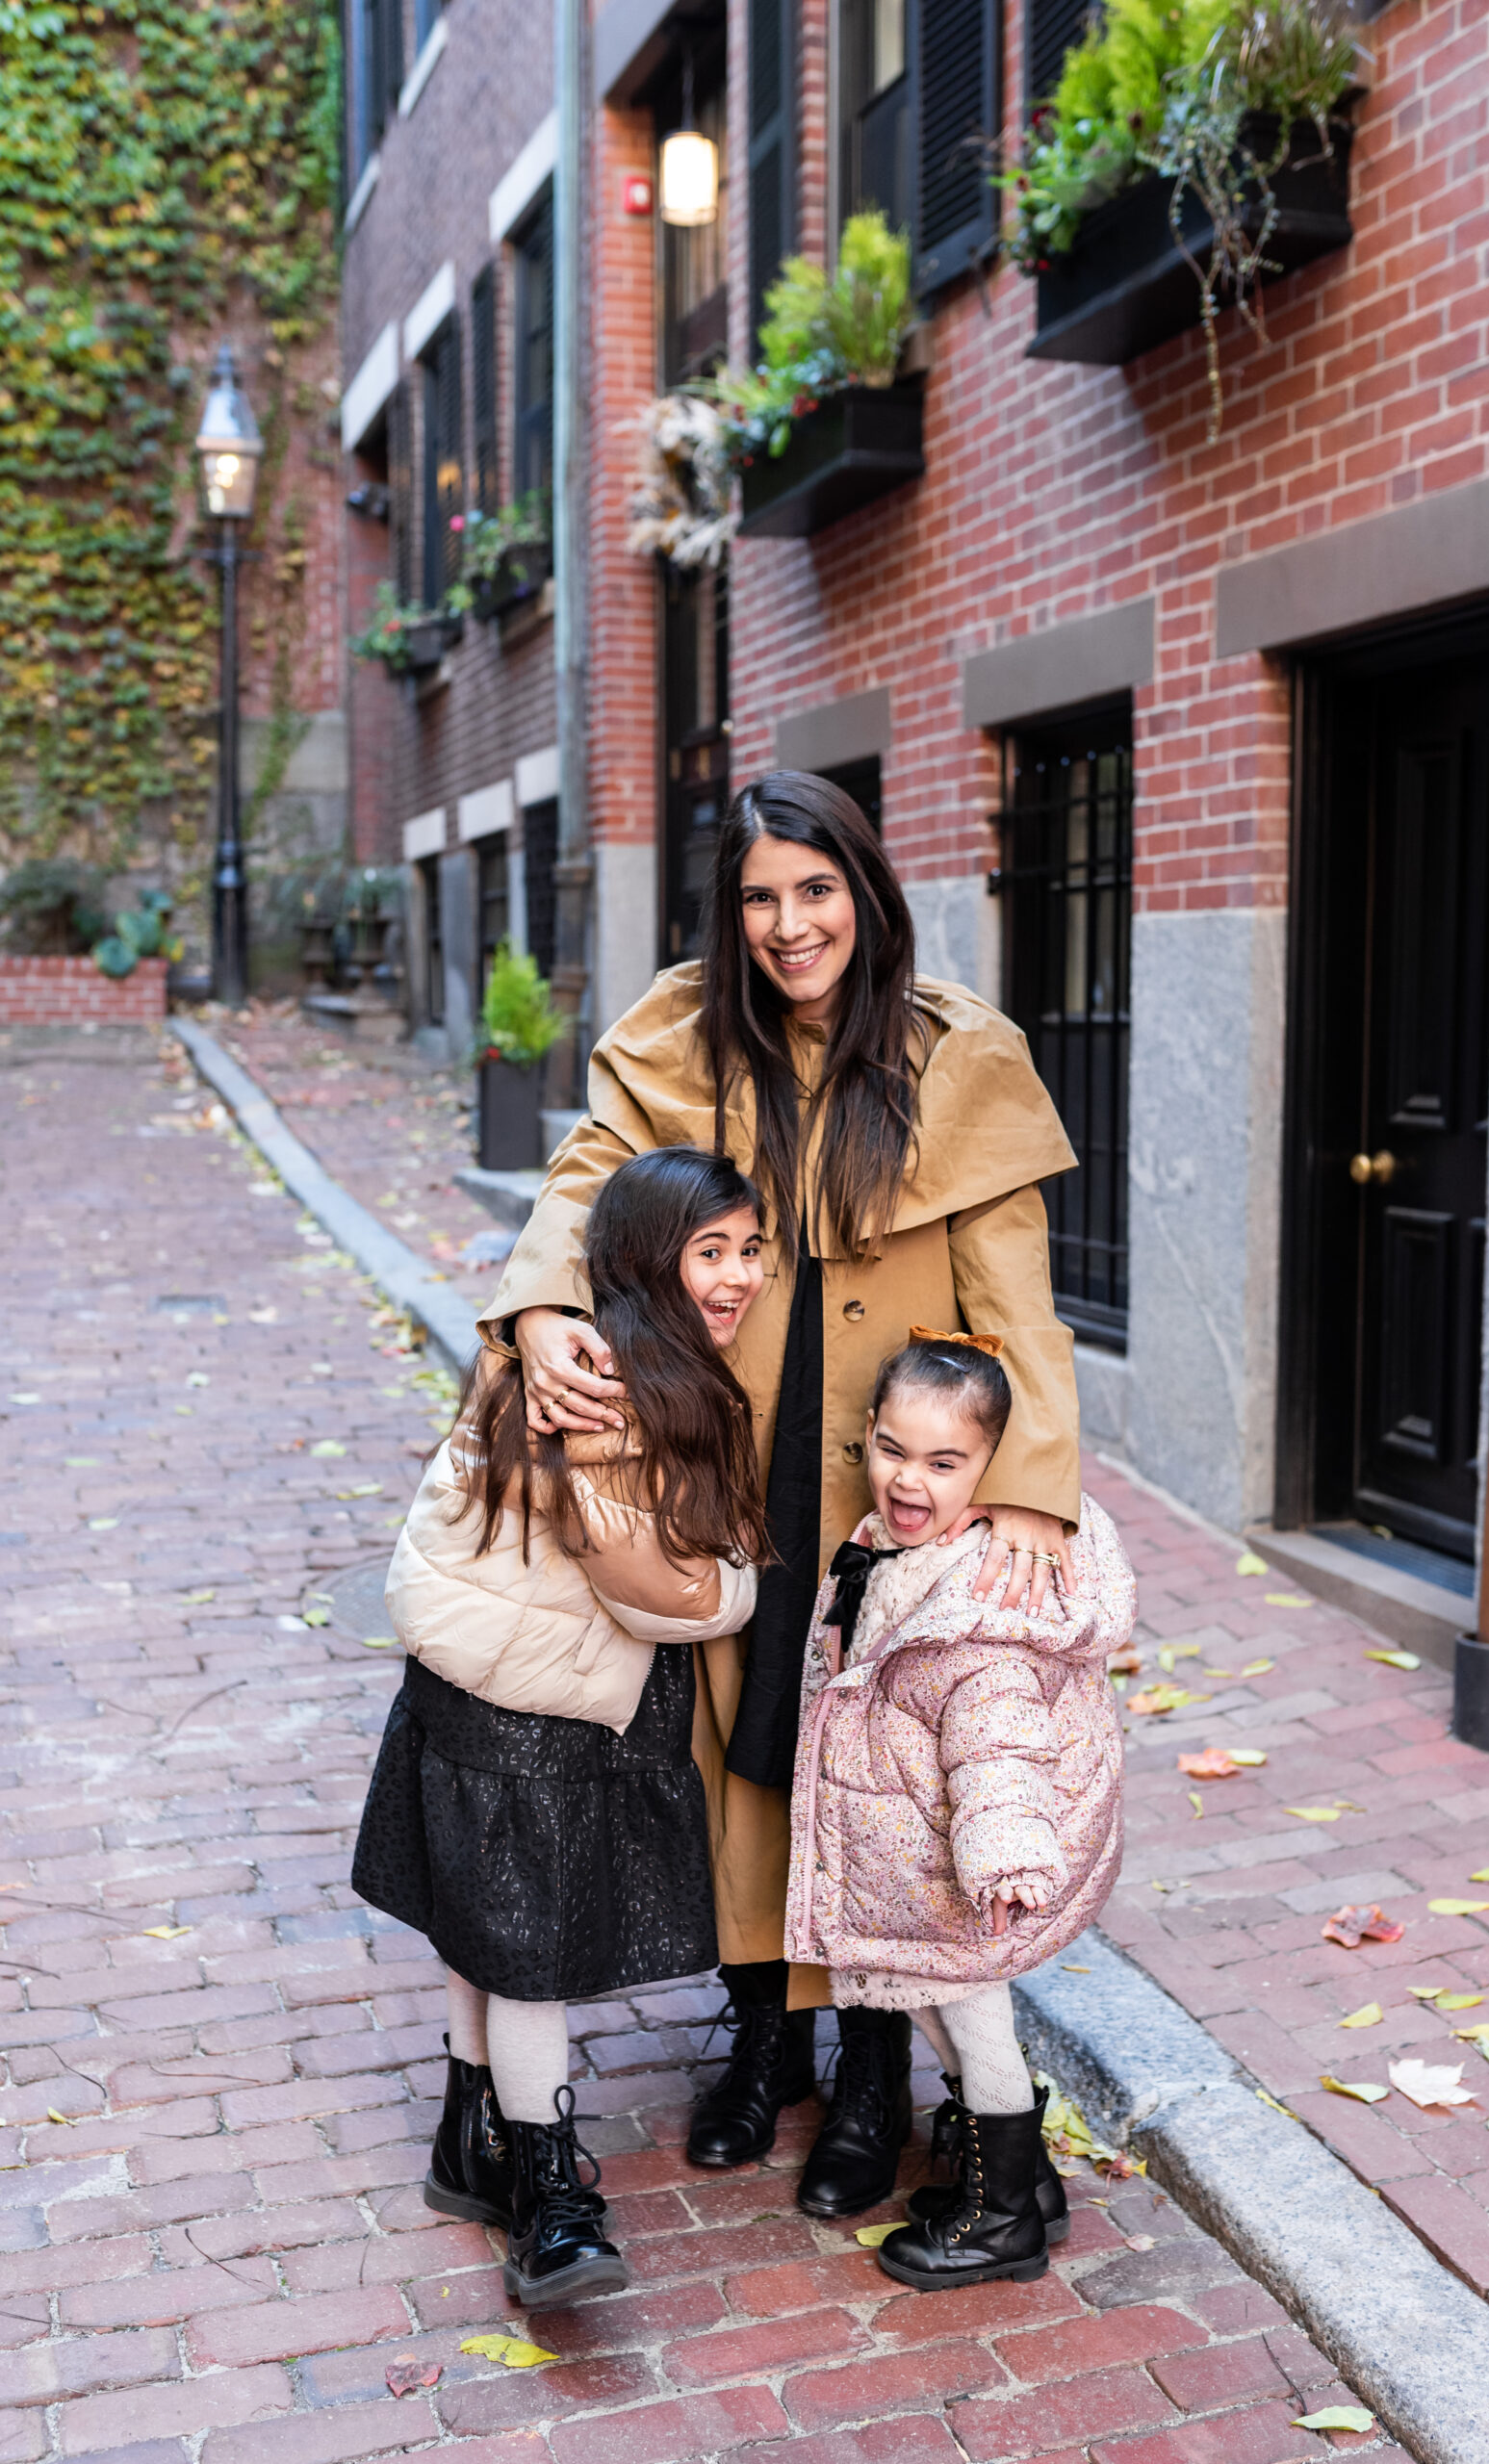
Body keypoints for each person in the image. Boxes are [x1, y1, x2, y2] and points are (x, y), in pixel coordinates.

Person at [481, 769, 1083, 2217]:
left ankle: (875, 2074)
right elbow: (585, 1179)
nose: (788, 923)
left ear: (865, 898)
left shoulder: (959, 1054)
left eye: (815, 891)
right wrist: (544, 1312)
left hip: (888, 1483)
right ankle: (768, 2042)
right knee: (740, 1750)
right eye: (760, 897)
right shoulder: (684, 1034)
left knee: (878, 1773)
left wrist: (1028, 1492)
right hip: (725, 1457)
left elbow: (1016, 1293)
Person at [350, 1147, 770, 2303]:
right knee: (527, 1949)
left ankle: (465, 2142)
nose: (738, 1275)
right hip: (533, 1706)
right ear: (643, 1259)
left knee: (483, 1926)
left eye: (750, 1247)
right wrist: (738, 1586)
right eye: (710, 1251)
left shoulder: (546, 1355)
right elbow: (662, 1595)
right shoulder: (623, 1394)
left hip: (463, 1681)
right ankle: (544, 2195)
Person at [785, 1330, 1132, 2291]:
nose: (909, 1480)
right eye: (893, 1450)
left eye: (944, 1463)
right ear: (866, 1436)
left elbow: (999, 1743)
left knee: (973, 2023)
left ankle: (1001, 2219)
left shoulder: (977, 1608)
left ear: (991, 1469)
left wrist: (1008, 1851)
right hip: (912, 1844)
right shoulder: (891, 1547)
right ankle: (1021, 2183)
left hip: (964, 1868)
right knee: (930, 2007)